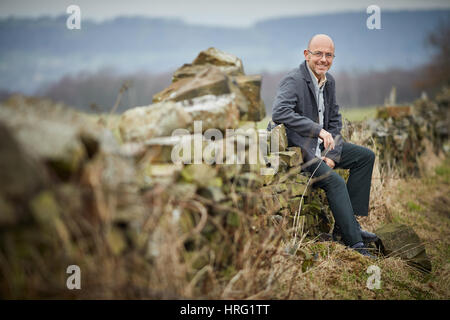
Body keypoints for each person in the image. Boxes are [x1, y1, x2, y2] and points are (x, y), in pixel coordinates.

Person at [271, 34, 378, 258]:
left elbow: (335, 122)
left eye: (328, 55)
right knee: (336, 182)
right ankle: (355, 244)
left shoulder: (329, 82)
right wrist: (316, 130)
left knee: (365, 157)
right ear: (306, 54)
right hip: (302, 151)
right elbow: (280, 112)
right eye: (318, 53)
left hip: (323, 148)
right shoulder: (294, 80)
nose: (323, 59)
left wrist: (333, 154)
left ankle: (347, 226)